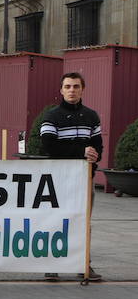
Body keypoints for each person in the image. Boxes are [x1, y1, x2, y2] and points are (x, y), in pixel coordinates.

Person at [40, 71, 103, 282]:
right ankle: (51, 265)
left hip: (85, 179)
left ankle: (83, 264)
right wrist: (81, 151)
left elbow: (98, 147)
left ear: (82, 89)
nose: (72, 90)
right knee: (56, 220)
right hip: (59, 179)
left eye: (76, 86)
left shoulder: (92, 116)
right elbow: (49, 146)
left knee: (83, 222)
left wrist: (94, 157)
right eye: (67, 86)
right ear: (61, 90)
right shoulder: (51, 116)